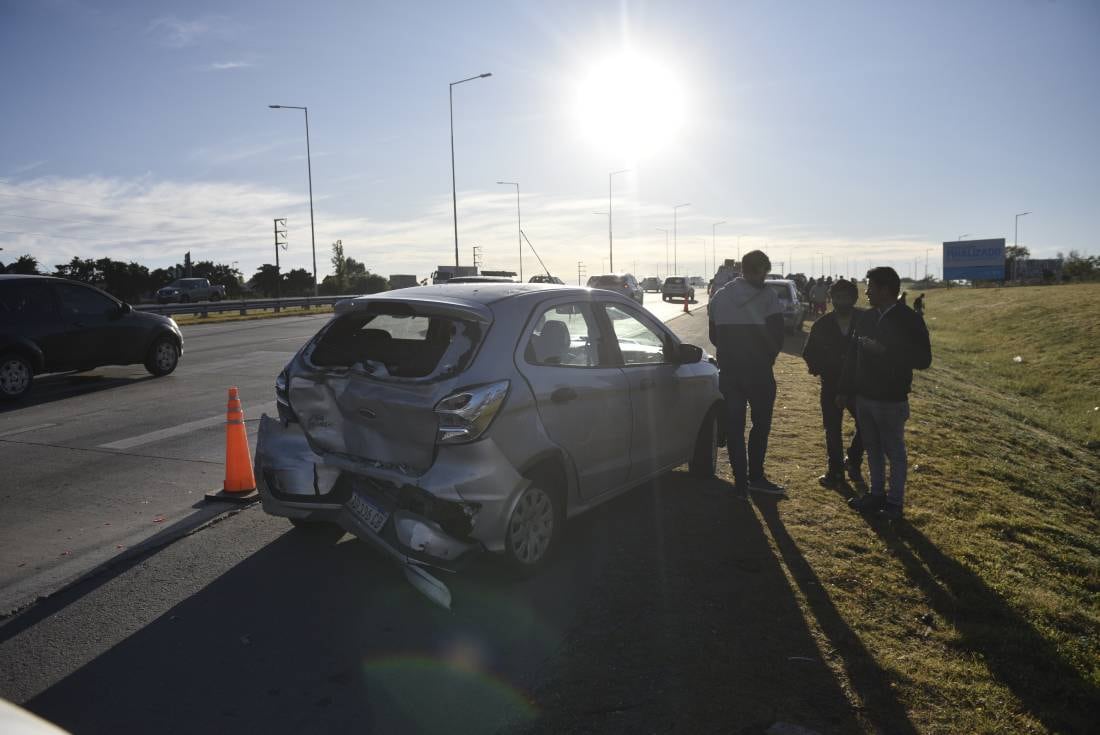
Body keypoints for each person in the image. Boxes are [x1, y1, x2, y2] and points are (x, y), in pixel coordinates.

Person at [838, 267, 932, 520]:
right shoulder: (867, 318)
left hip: (891, 398)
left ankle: (894, 503)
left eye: (870, 287)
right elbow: (853, 355)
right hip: (864, 397)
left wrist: (885, 351)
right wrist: (845, 389)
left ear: (885, 289)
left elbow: (923, 359)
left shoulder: (909, 319)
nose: (866, 292)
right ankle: (876, 494)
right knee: (872, 448)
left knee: (895, 452)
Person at [709, 250, 786, 497]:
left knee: (734, 428)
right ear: (760, 269)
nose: (764, 276)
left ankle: (741, 483)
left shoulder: (720, 296)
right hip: (759, 373)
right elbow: (777, 335)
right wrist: (766, 359)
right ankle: (756, 477)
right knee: (760, 425)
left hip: (730, 371)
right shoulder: (768, 296)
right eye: (763, 271)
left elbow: (713, 336)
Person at [802, 279, 864, 487]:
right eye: (837, 297)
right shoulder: (822, 324)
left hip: (860, 385)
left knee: (866, 425)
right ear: (832, 298)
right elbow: (809, 353)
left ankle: (854, 460)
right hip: (831, 385)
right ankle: (835, 471)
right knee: (832, 429)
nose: (841, 301)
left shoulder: (866, 320)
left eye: (846, 297)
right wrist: (819, 368)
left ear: (854, 298)